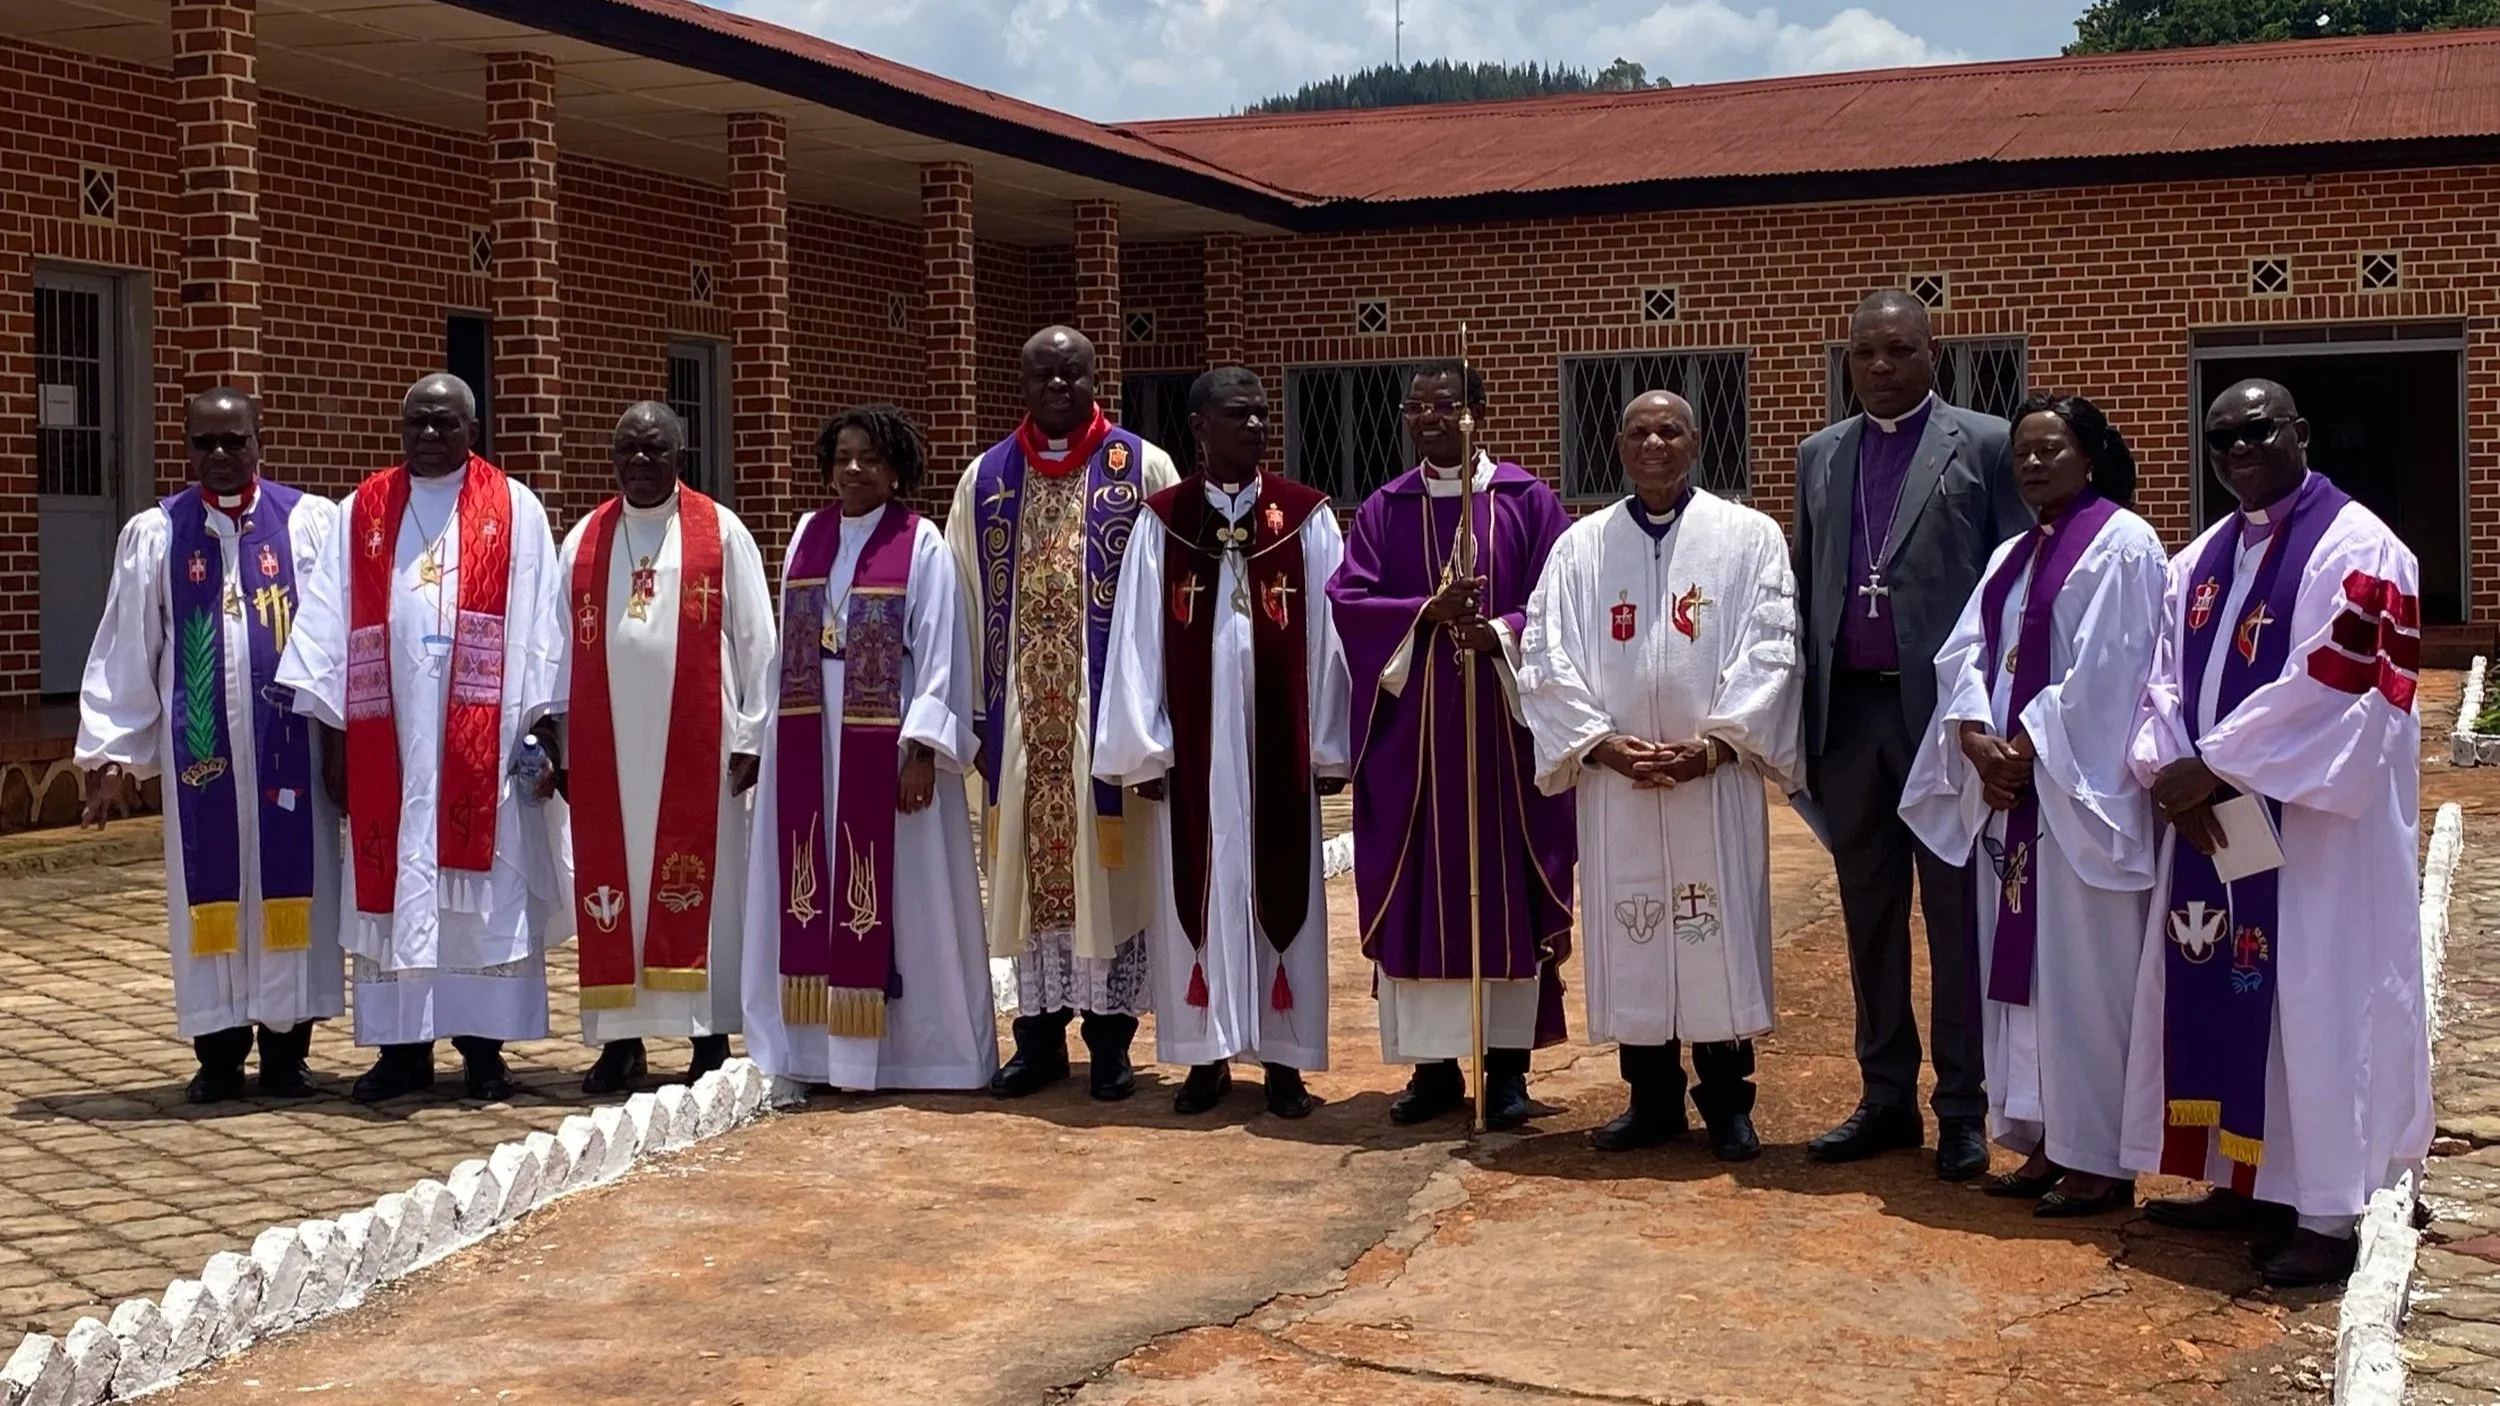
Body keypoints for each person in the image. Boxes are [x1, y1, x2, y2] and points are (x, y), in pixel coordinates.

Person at [2118, 379, 2430, 1288]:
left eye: (2257, 432)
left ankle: (2328, 1211)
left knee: (2317, 1002)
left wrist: (2211, 765)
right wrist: (2167, 768)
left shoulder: (2364, 548)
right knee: (2228, 990)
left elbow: (2342, 685)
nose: (2239, 452)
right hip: (2217, 827)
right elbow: (2161, 682)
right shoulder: (2201, 558)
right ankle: (2238, 1173)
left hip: (2319, 838)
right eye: (2220, 441)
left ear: (2300, 432)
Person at [1899, 394, 2167, 1217]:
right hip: (2016, 800)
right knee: (2022, 980)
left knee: (2086, 982)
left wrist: (2028, 746)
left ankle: (2102, 1158)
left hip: (2078, 800)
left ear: (2090, 456)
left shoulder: (2124, 543)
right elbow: (1969, 651)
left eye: (2052, 448)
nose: (2034, 463)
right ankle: (2049, 1137)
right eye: (2022, 451)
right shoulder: (2012, 554)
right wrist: (1973, 733)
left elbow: (2114, 671)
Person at [1519, 390, 1801, 1160]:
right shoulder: (1582, 548)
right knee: (1633, 930)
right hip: (1620, 784)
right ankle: (1650, 1099)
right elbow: (1546, 656)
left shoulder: (1747, 539)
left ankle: (1727, 1103)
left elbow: (1773, 645)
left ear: (1695, 441)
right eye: (1640, 431)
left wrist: (1715, 746)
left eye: (1669, 430)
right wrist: (1598, 745)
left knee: (1715, 932)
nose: (1654, 443)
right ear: (1618, 445)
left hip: (1711, 780)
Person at [277, 372, 570, 1104]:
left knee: (485, 897)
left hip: (486, 742)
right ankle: (401, 1053)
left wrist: (541, 730)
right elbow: (327, 630)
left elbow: (543, 628)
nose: (430, 436)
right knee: (397, 886)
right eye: (417, 424)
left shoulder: (516, 508)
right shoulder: (363, 510)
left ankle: (483, 1050)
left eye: (445, 424)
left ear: (474, 430)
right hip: (392, 746)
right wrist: (339, 746)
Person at [1792, 289, 2028, 1179]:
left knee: (1956, 916)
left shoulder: (1988, 444)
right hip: (1851, 719)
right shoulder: (1821, 454)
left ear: (1934, 355)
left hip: (1942, 724)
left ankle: (1962, 1106)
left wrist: (1991, 720)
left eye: (1898, 351)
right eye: (1864, 354)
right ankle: (1884, 1096)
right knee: (1870, 915)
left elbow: (2010, 591)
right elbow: (1812, 584)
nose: (1881, 368)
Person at [74, 388, 342, 1102]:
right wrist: (110, 757)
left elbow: (337, 644)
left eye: (235, 441)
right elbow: (129, 649)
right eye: (205, 443)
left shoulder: (310, 526)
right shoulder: (158, 535)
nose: (220, 456)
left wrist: (346, 746)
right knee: (210, 894)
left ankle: (287, 1058)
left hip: (292, 756)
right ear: (186, 447)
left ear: (260, 441)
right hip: (204, 768)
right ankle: (219, 1057)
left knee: (298, 899)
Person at [1328, 359, 1576, 1130]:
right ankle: (1434, 1071)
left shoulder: (1525, 502)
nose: (1429, 418)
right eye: (1417, 407)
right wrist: (1425, 612)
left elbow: (1561, 601)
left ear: (1477, 412)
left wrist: (1501, 633)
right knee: (1418, 895)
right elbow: (1350, 601)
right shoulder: (1384, 508)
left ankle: (1506, 1070)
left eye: (1446, 405)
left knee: (1505, 891)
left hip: (1501, 740)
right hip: (1416, 749)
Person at [1095, 366, 1349, 1119]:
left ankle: (1284, 1060)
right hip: (1199, 747)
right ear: (1199, 427)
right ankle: (1204, 1058)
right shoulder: (1164, 521)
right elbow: (1139, 637)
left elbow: (1330, 637)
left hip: (1279, 742)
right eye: (1238, 416)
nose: (1256, 428)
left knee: (1283, 887)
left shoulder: (1305, 517)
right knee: (1197, 894)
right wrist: (1144, 746)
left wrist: (1328, 744)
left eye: (1264, 416)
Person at [946, 326, 1177, 1101]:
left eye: (1070, 372)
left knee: (1111, 883)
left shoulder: (1141, 467)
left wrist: (1156, 729)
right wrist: (972, 719)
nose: (1056, 385)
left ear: (1092, 379)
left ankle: (1110, 1042)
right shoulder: (985, 480)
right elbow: (963, 605)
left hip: (1104, 724)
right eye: (1042, 373)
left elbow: (1169, 599)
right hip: (1018, 723)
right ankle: (1037, 1037)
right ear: (1020, 381)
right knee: (1025, 883)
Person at [741, 406, 996, 1099]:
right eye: (843, 457)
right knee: (808, 884)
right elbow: (785, 643)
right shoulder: (805, 535)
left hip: (884, 738)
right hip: (807, 732)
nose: (854, 470)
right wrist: (765, 740)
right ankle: (815, 1055)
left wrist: (921, 750)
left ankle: (921, 1057)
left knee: (906, 896)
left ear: (897, 470)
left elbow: (941, 652)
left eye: (871, 459)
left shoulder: (922, 544)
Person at [555, 403, 774, 1094]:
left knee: (701, 889)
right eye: (629, 451)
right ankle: (621, 1043)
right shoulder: (587, 537)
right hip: (607, 746)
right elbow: (557, 648)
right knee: (615, 891)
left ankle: (708, 1035)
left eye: (655, 451)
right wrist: (560, 743)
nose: (641, 463)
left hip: (701, 750)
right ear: (613, 457)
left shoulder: (720, 531)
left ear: (681, 455)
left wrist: (751, 733)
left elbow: (757, 639)